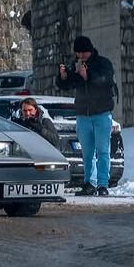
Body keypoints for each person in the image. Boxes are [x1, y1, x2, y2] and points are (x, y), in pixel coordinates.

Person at [56, 36, 116, 197]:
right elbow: (67, 85)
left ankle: (103, 184)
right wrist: (63, 77)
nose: (81, 56)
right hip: (83, 115)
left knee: (103, 151)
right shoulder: (75, 63)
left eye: (83, 53)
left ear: (90, 50)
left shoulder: (103, 63)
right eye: (78, 53)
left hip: (102, 114)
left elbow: (106, 80)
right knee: (87, 153)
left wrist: (88, 76)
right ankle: (89, 183)